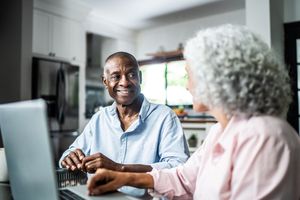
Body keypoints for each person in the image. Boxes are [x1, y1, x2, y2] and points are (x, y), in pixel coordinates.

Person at [86, 25, 300, 199]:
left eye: (190, 75)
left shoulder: (265, 136)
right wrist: (123, 178)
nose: (187, 86)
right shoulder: (220, 131)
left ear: (216, 77)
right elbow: (184, 178)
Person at [59, 52, 189, 196]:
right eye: (116, 76)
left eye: (132, 74)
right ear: (105, 81)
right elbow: (70, 153)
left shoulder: (164, 116)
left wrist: (118, 168)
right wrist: (70, 157)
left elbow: (178, 169)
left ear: (140, 77)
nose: (124, 82)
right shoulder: (99, 118)